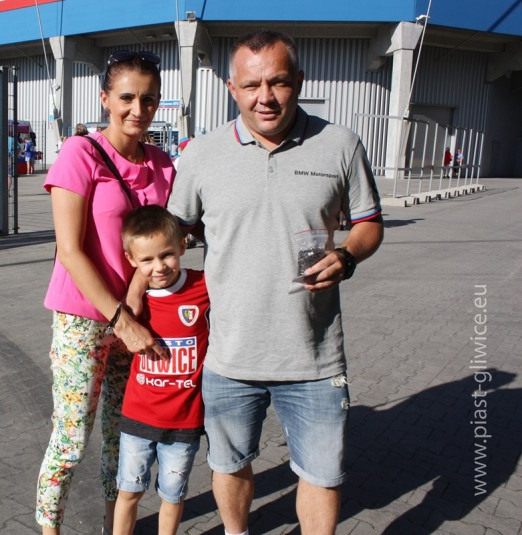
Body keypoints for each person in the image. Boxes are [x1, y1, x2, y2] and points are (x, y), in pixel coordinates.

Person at [167, 30, 384, 535]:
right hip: (229, 356)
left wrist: (347, 254)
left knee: (322, 475)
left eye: (278, 82)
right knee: (229, 464)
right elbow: (172, 230)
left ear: (299, 82)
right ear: (231, 88)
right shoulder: (201, 154)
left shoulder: (340, 144)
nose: (264, 97)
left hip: (313, 357)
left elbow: (370, 223)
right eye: (251, 85)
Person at [36, 49, 176, 535]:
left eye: (149, 99)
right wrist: (121, 319)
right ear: (104, 99)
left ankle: (113, 526)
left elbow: (156, 246)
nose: (139, 109)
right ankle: (50, 528)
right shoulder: (81, 154)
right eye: (127, 97)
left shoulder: (163, 165)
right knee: (72, 437)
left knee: (124, 437)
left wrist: (135, 296)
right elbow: (70, 250)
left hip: (137, 318)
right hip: (84, 318)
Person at [113, 205, 210, 535]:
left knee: (172, 496)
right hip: (138, 418)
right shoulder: (132, 305)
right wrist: (135, 290)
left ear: (183, 245)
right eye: (147, 260)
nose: (159, 267)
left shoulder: (203, 286)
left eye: (167, 254)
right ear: (131, 260)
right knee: (129, 492)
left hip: (184, 421)